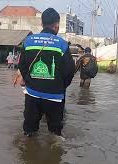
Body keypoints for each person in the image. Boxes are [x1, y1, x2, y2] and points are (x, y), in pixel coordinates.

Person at [18, 8, 75, 138]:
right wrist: (60, 86)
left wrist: (30, 81)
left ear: (42, 24)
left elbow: (22, 65)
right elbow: (70, 71)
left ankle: (28, 154)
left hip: (32, 94)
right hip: (55, 97)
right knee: (55, 134)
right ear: (57, 25)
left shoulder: (28, 41)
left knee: (29, 132)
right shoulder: (62, 44)